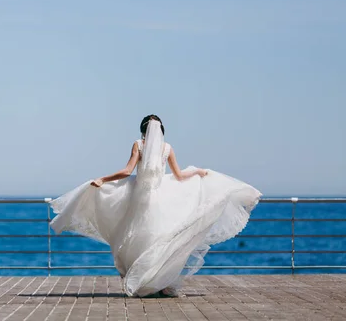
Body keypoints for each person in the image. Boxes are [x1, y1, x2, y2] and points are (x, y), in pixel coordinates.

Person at [49, 114, 262, 297]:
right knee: (159, 238)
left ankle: (145, 280)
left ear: (143, 131)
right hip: (160, 197)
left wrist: (103, 179)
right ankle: (155, 282)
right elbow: (179, 175)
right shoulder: (167, 148)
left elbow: (126, 171)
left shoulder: (138, 145)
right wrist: (196, 172)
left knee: (135, 238)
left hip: (139, 198)